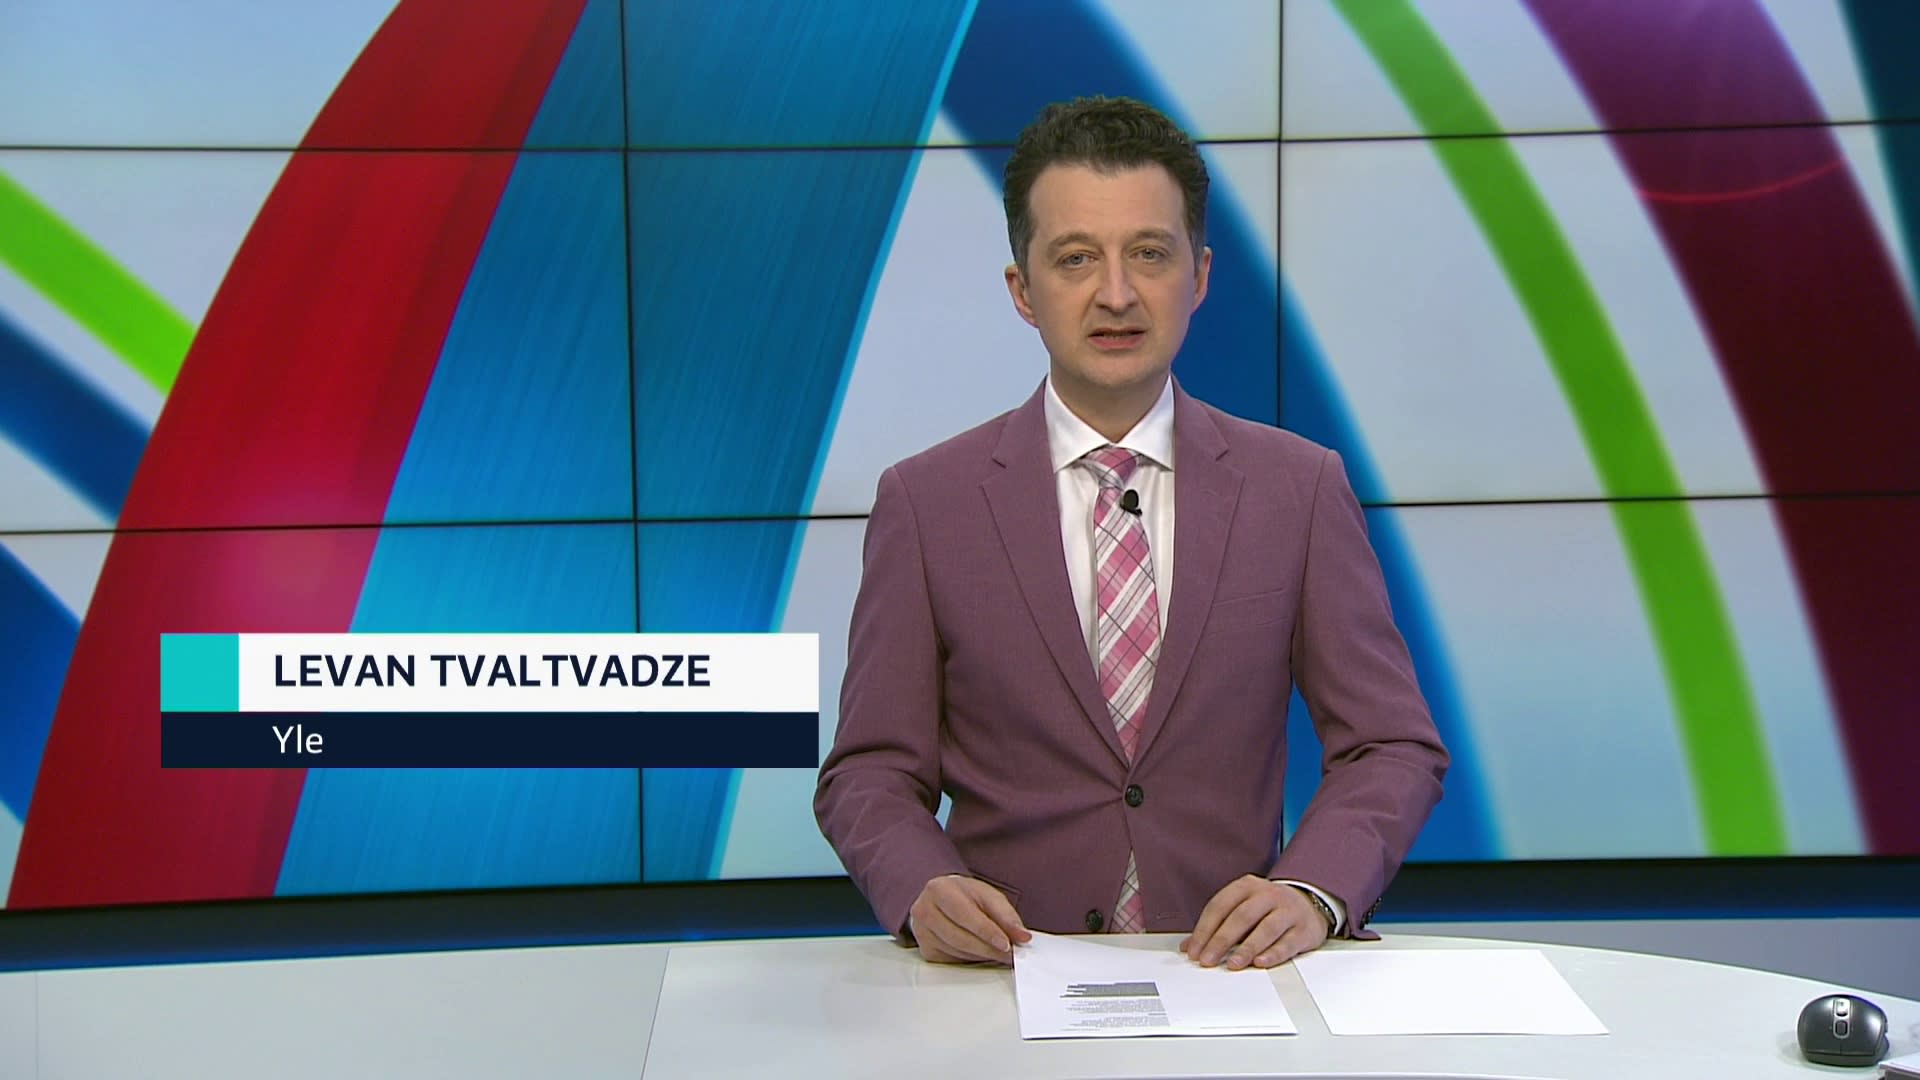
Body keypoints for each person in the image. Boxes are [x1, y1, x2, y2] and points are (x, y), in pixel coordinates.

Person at [814, 96, 1447, 971]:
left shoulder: (1298, 490)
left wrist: (1313, 891)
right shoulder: (927, 504)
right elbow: (869, 771)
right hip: (1005, 983)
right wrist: (923, 887)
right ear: (1023, 291)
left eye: (1149, 254)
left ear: (1199, 276)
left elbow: (1391, 745)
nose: (1116, 294)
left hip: (1232, 979)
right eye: (1076, 258)